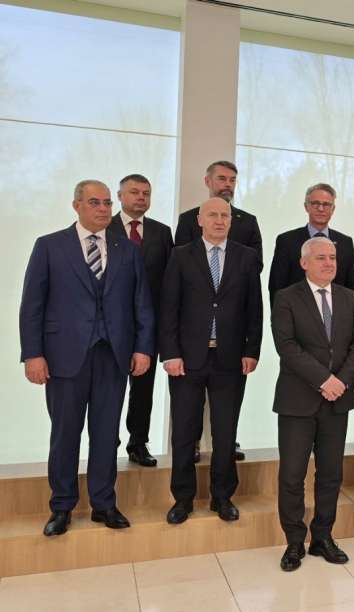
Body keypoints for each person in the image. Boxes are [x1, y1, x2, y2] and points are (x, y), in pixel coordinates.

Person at [20, 180, 154, 536]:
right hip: (64, 357)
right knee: (65, 434)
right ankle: (62, 506)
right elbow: (32, 306)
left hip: (113, 357)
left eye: (107, 203)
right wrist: (33, 354)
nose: (103, 209)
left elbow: (141, 304)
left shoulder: (127, 250)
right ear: (76, 205)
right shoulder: (49, 246)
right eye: (95, 202)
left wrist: (142, 348)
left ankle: (104, 503)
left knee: (106, 433)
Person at [160, 198, 263, 525]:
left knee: (225, 431)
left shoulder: (246, 257)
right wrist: (170, 353)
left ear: (231, 220)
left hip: (230, 359)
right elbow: (168, 308)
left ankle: (223, 497)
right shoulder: (180, 255)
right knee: (184, 432)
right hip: (186, 360)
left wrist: (252, 350)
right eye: (213, 215)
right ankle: (182, 499)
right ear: (200, 220)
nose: (219, 220)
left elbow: (255, 309)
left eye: (225, 215)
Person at [272, 238, 354, 570]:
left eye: (333, 257)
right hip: (298, 400)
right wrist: (324, 380)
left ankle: (323, 537)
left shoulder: (349, 297)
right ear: (304, 263)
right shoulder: (286, 298)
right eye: (321, 257)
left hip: (337, 400)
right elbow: (286, 346)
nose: (329, 263)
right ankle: (294, 541)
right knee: (292, 474)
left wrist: (341, 381)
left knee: (330, 474)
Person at [176, 160, 262, 463]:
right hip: (192, 340)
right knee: (185, 420)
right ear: (208, 181)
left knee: (226, 419)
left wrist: (252, 347)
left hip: (231, 339)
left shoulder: (247, 224)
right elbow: (178, 281)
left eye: (232, 179)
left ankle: (225, 476)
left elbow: (254, 280)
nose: (227, 184)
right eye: (222, 178)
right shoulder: (187, 223)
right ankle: (190, 453)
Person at [108, 173, 173, 467]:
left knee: (143, 390)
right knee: (110, 388)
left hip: (148, 326)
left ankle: (138, 442)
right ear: (120, 196)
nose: (141, 198)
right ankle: (107, 442)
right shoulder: (105, 228)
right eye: (134, 192)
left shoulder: (161, 232)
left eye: (146, 193)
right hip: (112, 325)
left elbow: (170, 281)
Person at [268, 182, 354, 305]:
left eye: (326, 204)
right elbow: (276, 286)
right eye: (315, 203)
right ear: (306, 206)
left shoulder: (345, 243)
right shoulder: (286, 241)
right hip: (297, 313)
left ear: (333, 209)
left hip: (337, 315)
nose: (320, 209)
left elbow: (352, 288)